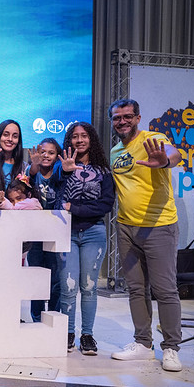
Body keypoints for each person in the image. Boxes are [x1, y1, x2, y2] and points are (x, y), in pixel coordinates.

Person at [108, 99, 184, 372]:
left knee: (165, 290)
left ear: (138, 118)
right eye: (117, 118)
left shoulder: (153, 139)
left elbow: (174, 154)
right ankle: (143, 344)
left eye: (127, 116)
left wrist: (165, 161)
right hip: (126, 228)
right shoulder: (115, 151)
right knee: (136, 289)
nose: (122, 121)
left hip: (158, 226)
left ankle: (171, 348)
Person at [55, 123, 115, 355]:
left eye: (84, 136)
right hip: (65, 232)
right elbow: (56, 198)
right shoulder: (61, 166)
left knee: (89, 288)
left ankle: (87, 335)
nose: (79, 140)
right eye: (75, 136)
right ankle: (67, 333)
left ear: (92, 140)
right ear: (69, 141)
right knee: (68, 287)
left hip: (93, 233)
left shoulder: (103, 171)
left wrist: (75, 208)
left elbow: (105, 204)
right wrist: (66, 172)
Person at [26, 138, 67, 323]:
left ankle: (53, 315)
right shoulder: (31, 172)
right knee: (36, 275)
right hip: (34, 234)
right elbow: (27, 180)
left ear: (57, 156)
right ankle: (36, 317)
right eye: (43, 152)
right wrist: (33, 167)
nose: (46, 156)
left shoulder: (59, 173)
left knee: (55, 277)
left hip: (55, 233)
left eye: (51, 153)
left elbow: (64, 177)